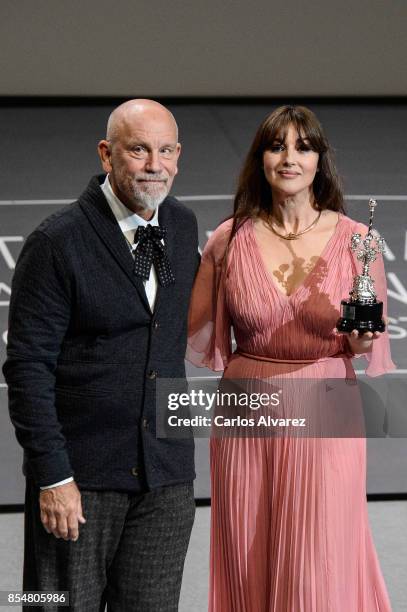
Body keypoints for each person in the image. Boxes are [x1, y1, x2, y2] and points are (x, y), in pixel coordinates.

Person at [187, 105, 395, 611]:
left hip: (326, 405)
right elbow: (199, 331)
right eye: (277, 145)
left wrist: (361, 342)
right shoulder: (227, 239)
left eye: (303, 147)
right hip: (246, 409)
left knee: (318, 552)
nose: (289, 157)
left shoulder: (357, 242)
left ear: (320, 161)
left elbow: (365, 343)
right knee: (246, 547)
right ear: (260, 158)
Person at [4, 99, 200, 612]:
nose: (154, 165)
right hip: (79, 484)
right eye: (138, 150)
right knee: (51, 605)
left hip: (165, 479)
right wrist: (52, 477)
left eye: (164, 151)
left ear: (178, 156)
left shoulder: (182, 226)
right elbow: (27, 368)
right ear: (106, 154)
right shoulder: (56, 242)